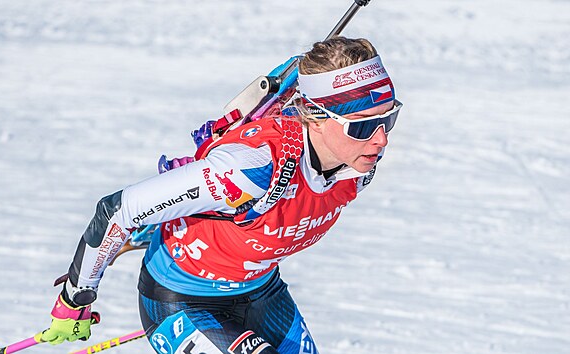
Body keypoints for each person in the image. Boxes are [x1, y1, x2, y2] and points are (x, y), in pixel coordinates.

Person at [38, 36, 402, 354]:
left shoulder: (355, 166)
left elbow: (242, 218)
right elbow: (117, 210)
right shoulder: (251, 167)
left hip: (261, 294)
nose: (382, 139)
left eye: (388, 119)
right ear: (317, 117)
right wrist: (76, 298)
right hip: (182, 300)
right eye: (364, 126)